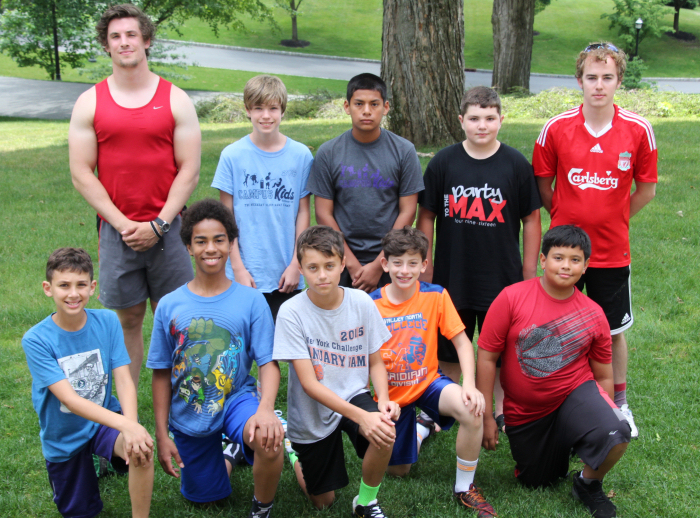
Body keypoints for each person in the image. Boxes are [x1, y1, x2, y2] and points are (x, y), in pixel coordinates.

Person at [69, 4, 201, 388]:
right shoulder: (90, 102)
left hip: (170, 228)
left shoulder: (175, 99)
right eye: (115, 36)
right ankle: (128, 411)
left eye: (131, 34)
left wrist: (159, 224)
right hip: (117, 231)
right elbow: (81, 173)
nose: (124, 42)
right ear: (106, 45)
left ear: (146, 40)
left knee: (174, 317)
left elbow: (189, 170)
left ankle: (186, 405)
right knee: (127, 320)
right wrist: (124, 224)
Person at [532, 42, 658, 438]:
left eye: (607, 77)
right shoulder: (555, 128)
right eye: (591, 77)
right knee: (553, 326)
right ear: (579, 81)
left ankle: (619, 402)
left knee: (612, 331)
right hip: (563, 253)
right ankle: (551, 399)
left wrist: (614, 217)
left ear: (619, 81)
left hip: (611, 252)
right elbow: (544, 187)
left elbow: (646, 191)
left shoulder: (638, 129)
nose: (599, 85)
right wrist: (566, 223)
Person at [476, 225, 631, 518]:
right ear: (543, 260)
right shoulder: (511, 298)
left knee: (617, 431)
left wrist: (603, 418)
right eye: (559, 257)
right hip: (527, 412)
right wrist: (486, 417)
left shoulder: (593, 313)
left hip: (574, 394)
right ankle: (562, 445)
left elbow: (603, 375)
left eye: (575, 260)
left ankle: (588, 483)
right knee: (537, 480)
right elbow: (486, 357)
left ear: (586, 266)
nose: (566, 266)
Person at [147, 199, 283, 517]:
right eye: (201, 241)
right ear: (188, 247)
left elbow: (268, 362)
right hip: (191, 408)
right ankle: (232, 452)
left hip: (237, 397)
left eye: (219, 239)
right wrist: (162, 434)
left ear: (231, 243)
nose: (211, 248)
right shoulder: (169, 305)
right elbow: (161, 372)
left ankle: (261, 509)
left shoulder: (252, 300)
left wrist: (265, 409)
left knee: (268, 439)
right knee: (207, 499)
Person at [417, 86, 541, 430]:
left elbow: (532, 218)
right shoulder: (444, 162)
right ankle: (440, 405)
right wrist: (426, 264)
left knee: (499, 350)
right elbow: (426, 215)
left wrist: (528, 271)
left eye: (489, 118)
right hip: (452, 273)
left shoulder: (515, 164)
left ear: (501, 119)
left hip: (501, 275)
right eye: (474, 118)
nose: (482, 125)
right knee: (447, 344)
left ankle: (500, 408)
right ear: (461, 120)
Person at [273, 226, 400, 518]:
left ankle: (366, 502)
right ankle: (292, 449)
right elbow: (309, 385)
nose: (322, 275)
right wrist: (362, 417)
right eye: (313, 268)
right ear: (300, 269)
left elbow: (376, 362)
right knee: (323, 502)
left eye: (329, 266)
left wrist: (382, 401)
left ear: (343, 264)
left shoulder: (361, 302)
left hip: (353, 392)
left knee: (385, 430)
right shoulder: (291, 312)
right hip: (312, 406)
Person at [369, 227, 496, 518]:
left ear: (424, 265)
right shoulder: (372, 304)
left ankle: (464, 487)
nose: (404, 270)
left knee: (472, 408)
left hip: (428, 382)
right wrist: (380, 399)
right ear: (385, 264)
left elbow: (462, 343)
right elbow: (368, 358)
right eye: (397, 263)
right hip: (392, 396)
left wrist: (469, 384)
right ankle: (421, 429)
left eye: (412, 263)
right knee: (399, 470)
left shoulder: (436, 295)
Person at [22, 248, 154, 518]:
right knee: (80, 512)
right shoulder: (36, 340)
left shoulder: (107, 321)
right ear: (48, 288)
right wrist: (127, 425)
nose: (73, 293)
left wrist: (132, 426)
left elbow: (124, 379)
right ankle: (90, 468)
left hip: (104, 421)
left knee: (141, 449)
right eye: (64, 285)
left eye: (81, 285)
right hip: (64, 435)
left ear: (92, 287)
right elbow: (70, 400)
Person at [307, 73, 424, 294]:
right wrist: (351, 265)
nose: (367, 111)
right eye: (359, 104)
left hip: (392, 258)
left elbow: (408, 211)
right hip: (340, 256)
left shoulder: (404, 151)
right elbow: (323, 213)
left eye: (374, 104)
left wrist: (380, 264)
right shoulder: (329, 152)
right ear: (347, 106)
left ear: (386, 107)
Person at [212, 74, 313, 321]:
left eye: (273, 108)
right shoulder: (232, 155)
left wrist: (296, 264)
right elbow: (226, 218)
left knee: (287, 340)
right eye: (258, 108)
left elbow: (303, 212)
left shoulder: (301, 155)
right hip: (243, 273)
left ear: (283, 110)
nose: (266, 116)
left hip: (285, 275)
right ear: (248, 110)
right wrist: (238, 268)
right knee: (241, 341)